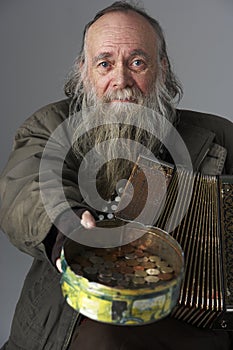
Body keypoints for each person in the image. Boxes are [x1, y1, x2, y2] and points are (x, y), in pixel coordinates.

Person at [0, 1, 233, 349]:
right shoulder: (49, 127)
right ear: (84, 71)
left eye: (137, 62)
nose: (121, 79)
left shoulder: (220, 136)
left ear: (162, 69)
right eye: (105, 64)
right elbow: (26, 187)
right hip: (78, 325)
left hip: (193, 329)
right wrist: (70, 227)